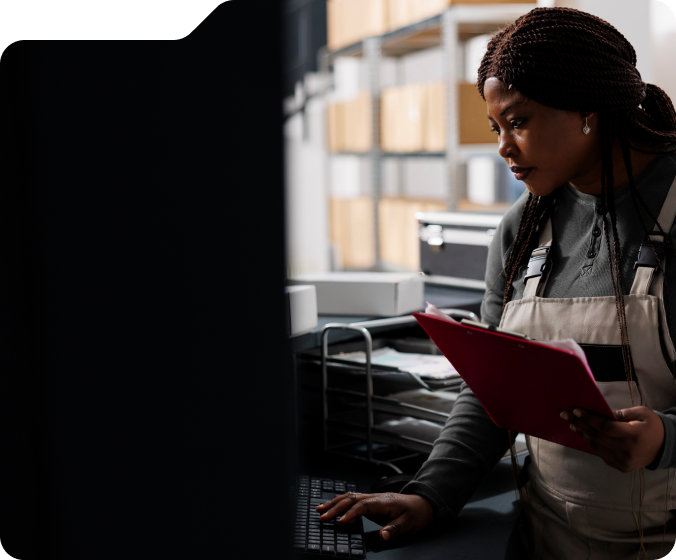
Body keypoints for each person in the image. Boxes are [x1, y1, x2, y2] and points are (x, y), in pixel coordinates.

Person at [316, 7, 676, 560]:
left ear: (587, 108)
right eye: (496, 128)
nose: (504, 147)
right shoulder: (523, 228)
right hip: (545, 536)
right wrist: (431, 496)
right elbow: (493, 392)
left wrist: (663, 440)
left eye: (520, 121)